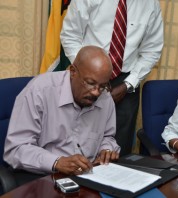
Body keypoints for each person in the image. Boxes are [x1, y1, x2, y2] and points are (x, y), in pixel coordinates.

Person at [60, 0, 164, 156]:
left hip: (126, 83)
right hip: (87, 77)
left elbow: (152, 50)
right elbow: (70, 35)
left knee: (118, 148)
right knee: (78, 140)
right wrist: (88, 71)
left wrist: (128, 85)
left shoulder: (150, 4)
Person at [4, 46, 120, 179]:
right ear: (73, 71)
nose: (96, 92)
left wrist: (106, 150)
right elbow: (16, 149)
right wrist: (57, 162)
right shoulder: (39, 91)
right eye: (90, 83)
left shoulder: (105, 97)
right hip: (43, 175)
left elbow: (107, 136)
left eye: (103, 86)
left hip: (88, 175)